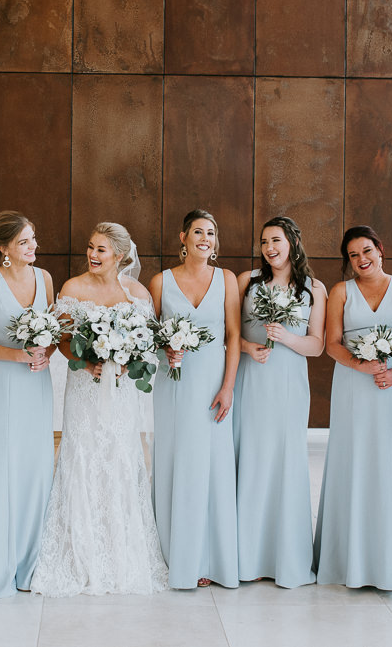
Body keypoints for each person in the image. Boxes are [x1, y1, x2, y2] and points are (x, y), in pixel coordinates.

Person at [31, 222, 168, 596]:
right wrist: (84, 360)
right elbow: (59, 339)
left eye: (101, 249)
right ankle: (79, 550)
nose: (92, 254)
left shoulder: (138, 293)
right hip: (84, 388)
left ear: (119, 255)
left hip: (122, 391)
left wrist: (126, 361)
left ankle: (121, 550)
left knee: (119, 457)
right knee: (83, 456)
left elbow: (147, 341)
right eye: (91, 247)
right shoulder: (73, 288)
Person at [314, 225, 392, 590]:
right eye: (353, 255)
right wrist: (360, 365)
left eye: (367, 251)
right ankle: (346, 560)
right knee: (354, 462)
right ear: (347, 261)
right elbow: (332, 343)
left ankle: (390, 561)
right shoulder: (340, 291)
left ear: (380, 249)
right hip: (354, 386)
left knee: (390, 464)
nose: (361, 260)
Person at [148, 209, 240, 589]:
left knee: (213, 468)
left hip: (212, 384)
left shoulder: (227, 280)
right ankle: (176, 556)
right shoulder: (160, 281)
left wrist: (228, 386)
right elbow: (148, 335)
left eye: (212, 233)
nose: (206, 238)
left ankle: (211, 557)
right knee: (177, 463)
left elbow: (233, 335)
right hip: (174, 383)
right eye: (198, 232)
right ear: (182, 238)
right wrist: (164, 349)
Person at [234, 216, 326, 588]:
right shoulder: (247, 283)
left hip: (289, 382)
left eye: (276, 240)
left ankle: (283, 557)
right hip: (251, 378)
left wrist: (286, 337)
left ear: (292, 242)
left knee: (284, 462)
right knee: (251, 458)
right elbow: (230, 332)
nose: (269, 248)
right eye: (264, 242)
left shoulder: (315, 289)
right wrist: (247, 346)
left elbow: (317, 345)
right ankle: (246, 557)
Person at [0, 211, 56, 598]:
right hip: (4, 385)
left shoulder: (45, 279)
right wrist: (18, 356)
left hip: (37, 385)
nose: (33, 247)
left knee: (35, 469)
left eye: (33, 238)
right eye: (24, 241)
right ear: (4, 248)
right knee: (4, 468)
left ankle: (32, 565)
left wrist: (45, 352)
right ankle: (1, 564)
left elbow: (55, 332)